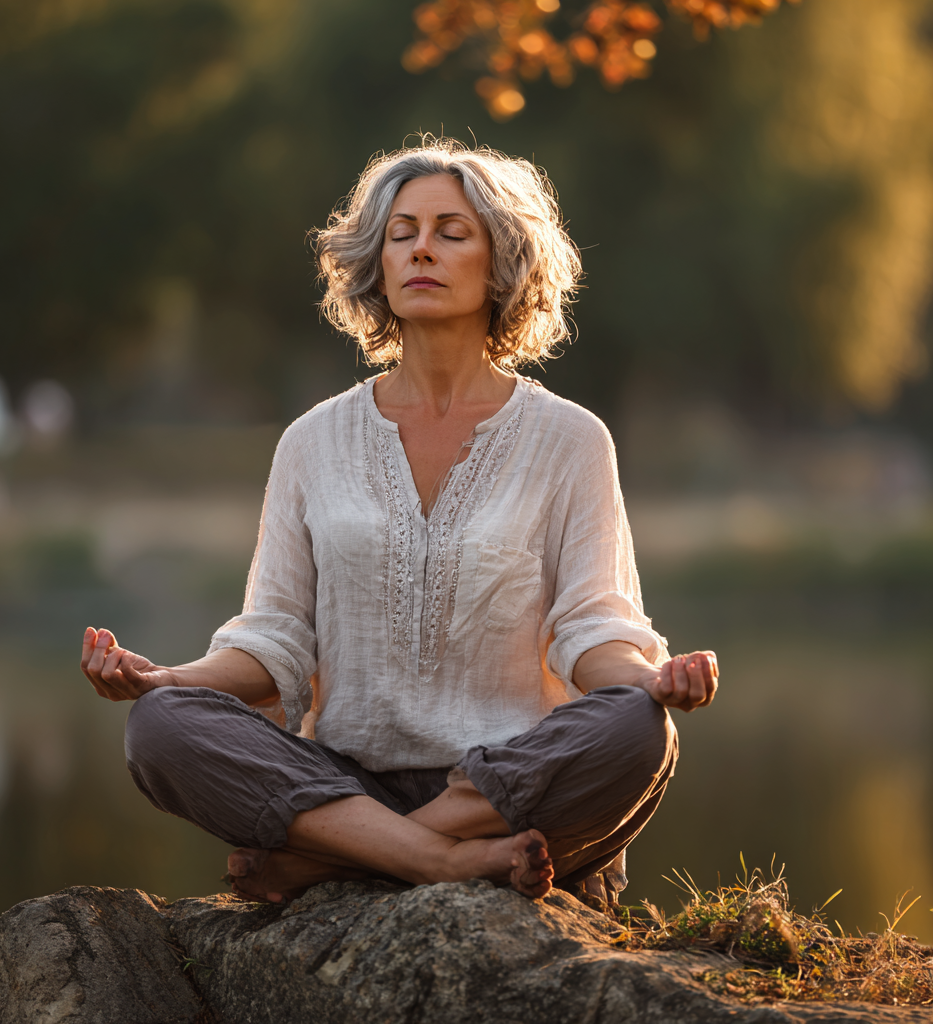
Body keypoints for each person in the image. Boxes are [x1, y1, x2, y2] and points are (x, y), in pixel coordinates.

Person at [80, 137, 717, 906]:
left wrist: (653, 681)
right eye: (401, 234)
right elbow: (275, 640)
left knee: (639, 731)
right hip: (342, 776)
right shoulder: (312, 441)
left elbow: (592, 629)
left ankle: (342, 856)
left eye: (451, 233)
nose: (422, 249)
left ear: (503, 263)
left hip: (508, 778)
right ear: (376, 265)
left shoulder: (572, 439)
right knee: (160, 728)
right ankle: (437, 857)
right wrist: (164, 679)